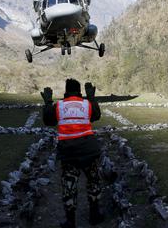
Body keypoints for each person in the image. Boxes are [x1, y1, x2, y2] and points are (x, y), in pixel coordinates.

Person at [42, 79, 104, 227]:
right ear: (80, 91)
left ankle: (70, 222)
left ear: (65, 91)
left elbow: (48, 121)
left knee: (69, 186)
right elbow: (96, 115)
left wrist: (48, 102)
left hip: (69, 153)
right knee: (93, 182)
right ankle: (94, 216)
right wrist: (91, 98)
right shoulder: (86, 104)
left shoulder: (59, 106)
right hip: (89, 150)